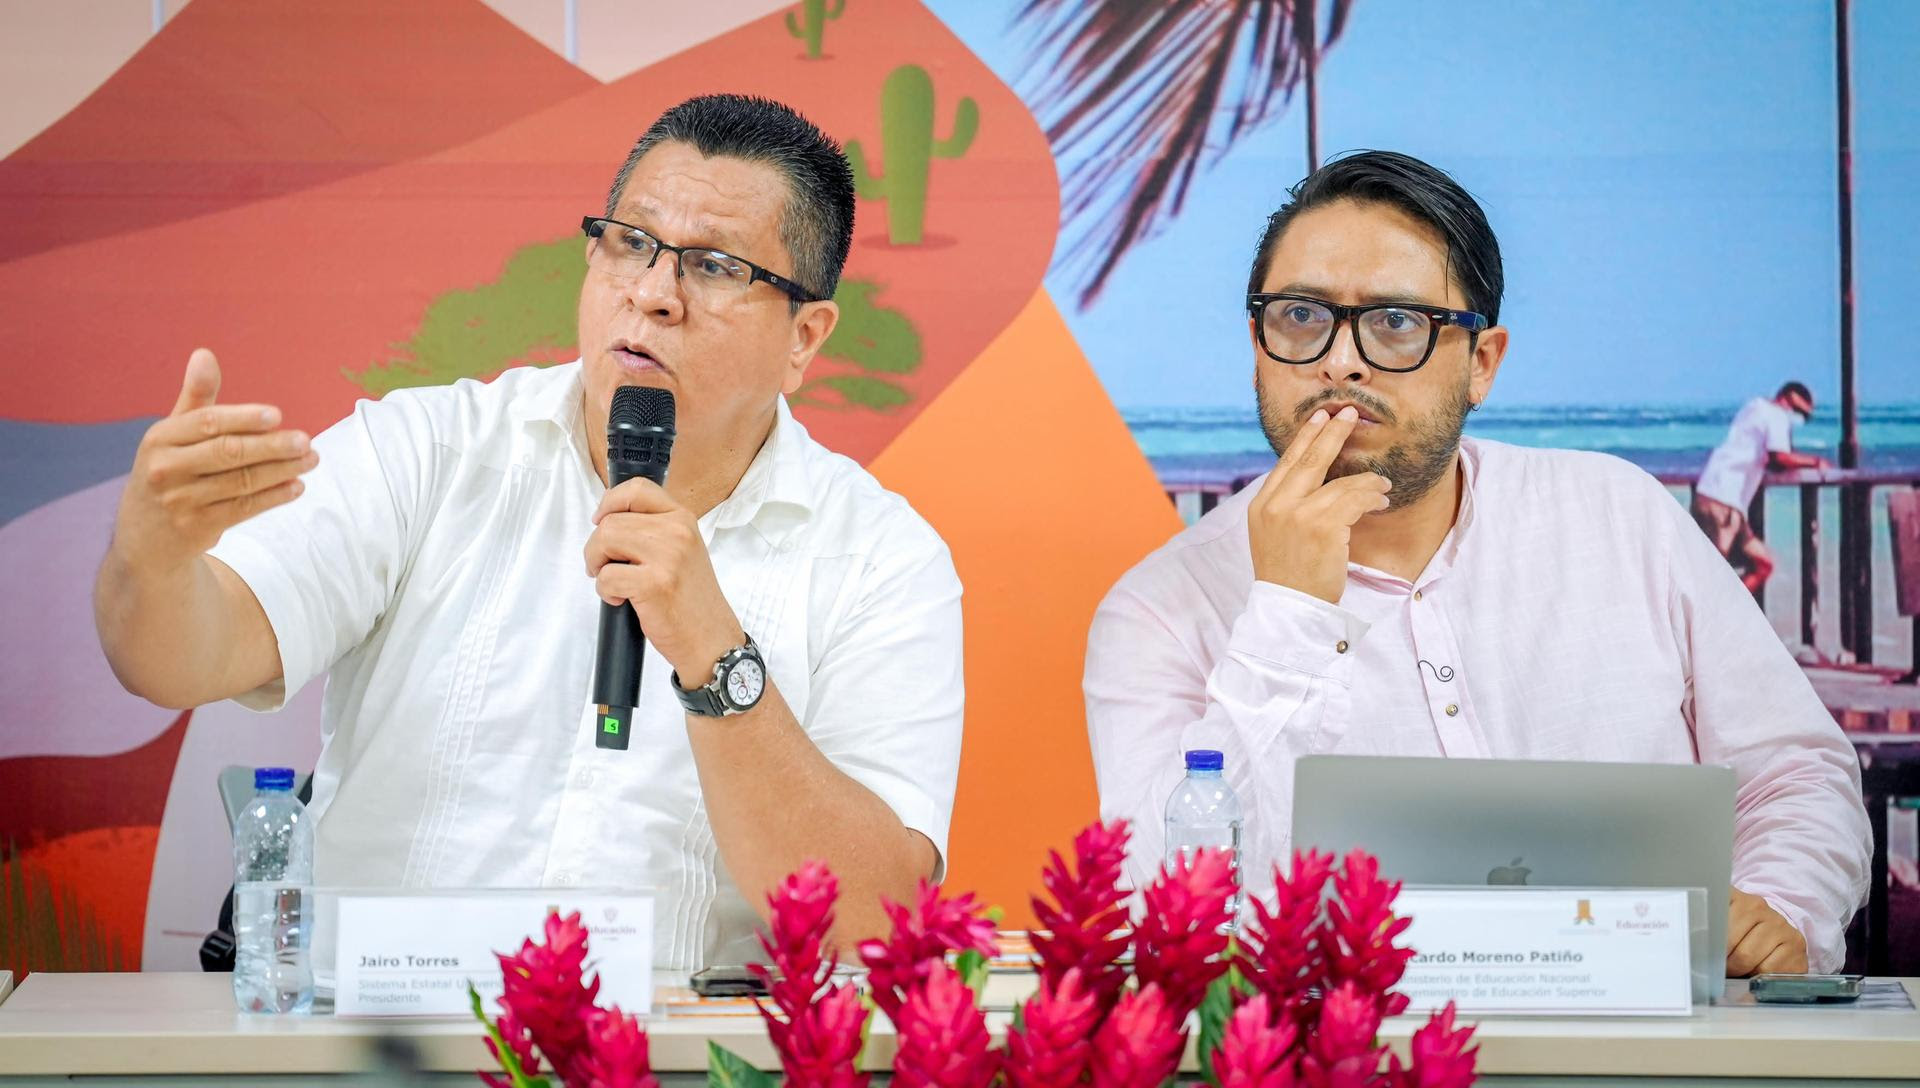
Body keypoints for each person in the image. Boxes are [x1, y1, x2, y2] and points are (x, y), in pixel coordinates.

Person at [93, 94, 965, 967]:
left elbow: (879, 927)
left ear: (804, 339)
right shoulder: (428, 452)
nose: (653, 294)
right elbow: (171, 660)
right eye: (631, 243)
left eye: (712, 266)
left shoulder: (883, 561)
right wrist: (153, 557)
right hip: (376, 1052)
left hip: (674, 1063)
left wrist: (716, 659)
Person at [1083, 151, 1870, 976]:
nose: (1340, 361)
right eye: (1302, 316)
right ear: (1257, 344)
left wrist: (1782, 910)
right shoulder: (1160, 610)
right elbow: (1163, 923)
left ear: (1483, 363)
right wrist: (1285, 617)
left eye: (1396, 323)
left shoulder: (1621, 516)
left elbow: (1798, 772)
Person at [1693, 382, 1829, 592]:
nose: (1798, 420)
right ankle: (1706, 617)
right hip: (1724, 501)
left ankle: (1725, 609)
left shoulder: (1755, 407)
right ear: (1790, 398)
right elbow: (1779, 456)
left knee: (1763, 564)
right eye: (1800, 414)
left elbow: (1766, 455)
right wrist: (1815, 462)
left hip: (1715, 494)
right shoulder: (1776, 416)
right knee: (1712, 575)